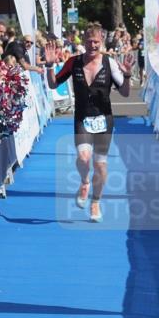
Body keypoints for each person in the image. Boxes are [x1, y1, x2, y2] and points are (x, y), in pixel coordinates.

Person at [43, 23, 133, 223]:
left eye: (97, 42)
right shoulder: (73, 62)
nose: (93, 45)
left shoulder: (110, 63)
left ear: (102, 42)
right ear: (83, 42)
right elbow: (52, 84)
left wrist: (126, 75)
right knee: (84, 158)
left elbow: (126, 93)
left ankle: (96, 201)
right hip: (82, 117)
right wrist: (49, 66)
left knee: (100, 164)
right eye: (89, 41)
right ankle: (84, 181)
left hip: (104, 119)